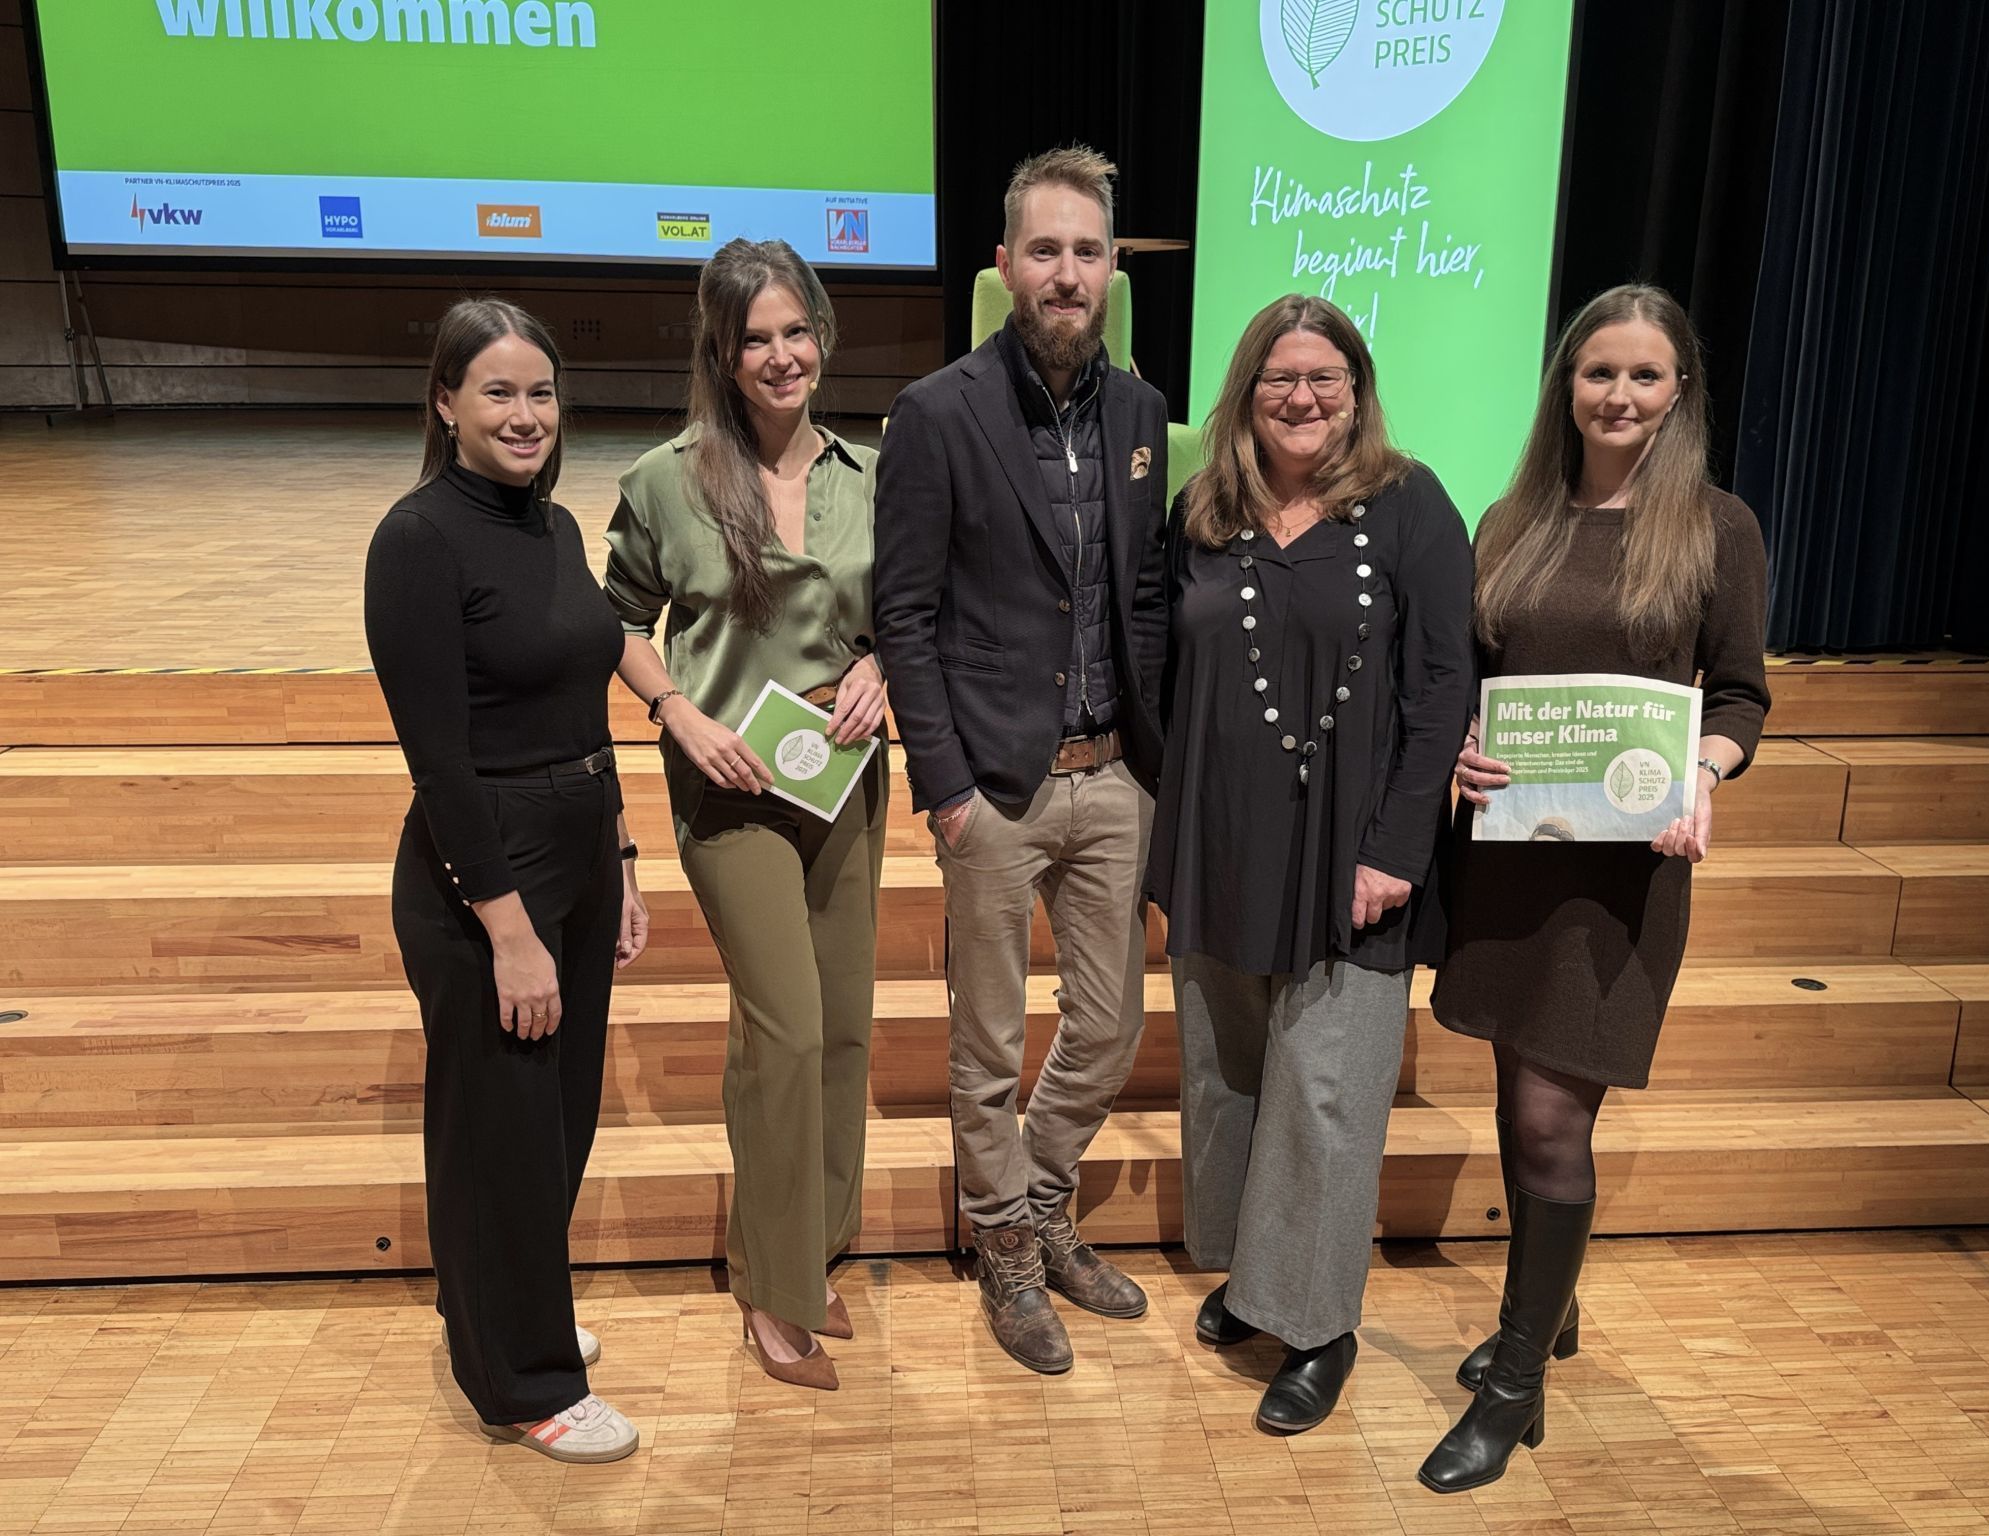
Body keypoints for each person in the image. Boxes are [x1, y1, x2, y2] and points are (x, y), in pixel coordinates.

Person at [1418, 284, 1769, 1493]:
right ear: (1563, 385)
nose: (1617, 396)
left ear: (1679, 394)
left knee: (1548, 1119)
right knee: (1521, 1092)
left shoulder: (1715, 527)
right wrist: (1463, 745)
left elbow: (1738, 698)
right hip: (1510, 859)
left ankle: (1515, 1385)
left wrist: (1706, 770)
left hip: (1620, 879)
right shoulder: (1509, 517)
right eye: (1596, 373)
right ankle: (1544, 1311)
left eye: (1643, 377)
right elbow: (1469, 674)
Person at [1148, 294, 1473, 1432]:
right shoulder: (1200, 511)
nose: (1301, 397)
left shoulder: (1410, 505)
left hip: (1354, 856)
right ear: (1245, 392)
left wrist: (1395, 848)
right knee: (1226, 1076)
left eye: (1323, 378)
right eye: (1280, 378)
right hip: (1218, 844)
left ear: (1355, 389)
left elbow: (1442, 691)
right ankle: (1251, 1279)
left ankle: (1319, 1323)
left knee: (1326, 1095)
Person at [874, 146, 1169, 1374]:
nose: (1065, 273)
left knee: (1107, 1027)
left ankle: (1036, 1202)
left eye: (1086, 251)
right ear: (1003, 266)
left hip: (1110, 778)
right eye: (1041, 250)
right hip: (988, 787)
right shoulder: (936, 413)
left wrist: (1155, 763)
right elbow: (905, 614)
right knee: (987, 1043)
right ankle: (1003, 1243)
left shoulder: (1146, 416)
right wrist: (940, 789)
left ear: (1110, 267)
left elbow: (1143, 595)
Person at [365, 299, 647, 1463]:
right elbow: (438, 761)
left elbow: (583, 699)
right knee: (507, 1128)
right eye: (497, 393)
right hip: (489, 870)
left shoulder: (554, 526)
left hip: (576, 840)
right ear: (445, 404)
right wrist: (509, 932)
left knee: (554, 1121)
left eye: (539, 393)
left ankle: (497, 1317)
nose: (525, 414)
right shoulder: (417, 539)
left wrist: (620, 855)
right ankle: (525, 1383)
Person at [604, 239, 889, 1392]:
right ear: (721, 354)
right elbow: (615, 622)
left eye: (795, 331)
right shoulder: (666, 479)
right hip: (730, 787)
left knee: (846, 1028)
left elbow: (907, 614)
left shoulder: (873, 476)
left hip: (842, 778)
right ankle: (771, 1290)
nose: (780, 356)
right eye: (754, 338)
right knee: (781, 1024)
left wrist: (891, 674)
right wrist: (675, 711)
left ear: (821, 335)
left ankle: (804, 1248)